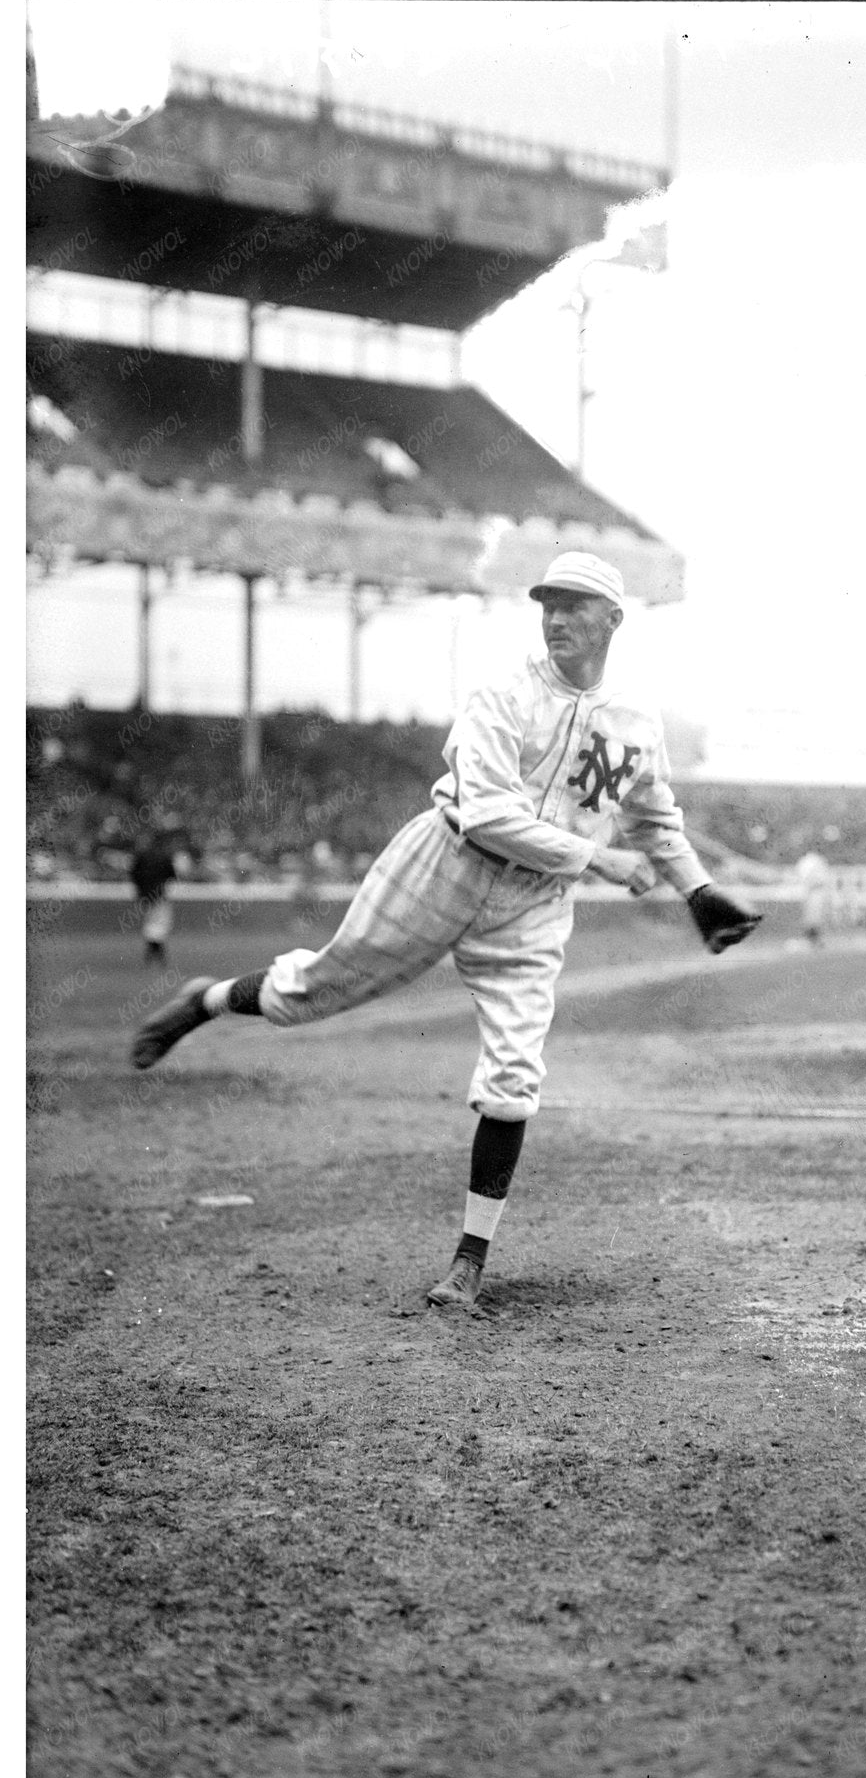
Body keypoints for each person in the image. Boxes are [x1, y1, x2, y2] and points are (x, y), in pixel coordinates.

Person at [131, 553, 761, 1311]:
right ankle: (204, 1001)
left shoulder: (635, 719)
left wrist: (696, 888)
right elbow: (492, 816)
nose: (556, 617)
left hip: (533, 907)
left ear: (613, 620)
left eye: (575, 605)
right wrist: (599, 858)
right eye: (548, 603)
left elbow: (655, 817)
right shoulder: (503, 694)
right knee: (311, 992)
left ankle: (470, 1258)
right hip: (446, 863)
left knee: (514, 1079)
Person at [129, 827, 179, 966]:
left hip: (145, 895)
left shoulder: (141, 856)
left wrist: (141, 890)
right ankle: (157, 952)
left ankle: (153, 952)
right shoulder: (164, 856)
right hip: (159, 894)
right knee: (160, 923)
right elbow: (172, 876)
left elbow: (134, 874)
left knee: (150, 922)